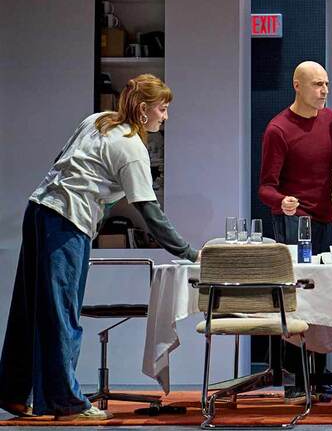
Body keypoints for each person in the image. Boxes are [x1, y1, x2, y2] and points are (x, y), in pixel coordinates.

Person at [0, 74, 199, 420]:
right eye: (162, 109)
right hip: (66, 221)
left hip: (40, 210)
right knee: (62, 312)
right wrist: (190, 252)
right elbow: (150, 214)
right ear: (142, 110)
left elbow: (63, 160)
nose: (165, 117)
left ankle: (13, 392)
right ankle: (67, 403)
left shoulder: (96, 121)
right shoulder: (132, 148)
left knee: (31, 308)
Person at [257, 61, 332, 404]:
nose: (324, 91)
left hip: (325, 222)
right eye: (317, 85)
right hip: (294, 223)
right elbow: (265, 188)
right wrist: (284, 201)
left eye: (326, 84)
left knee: (323, 298)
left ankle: (319, 378)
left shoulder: (330, 122)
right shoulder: (278, 129)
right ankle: (295, 380)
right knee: (296, 301)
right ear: (297, 85)